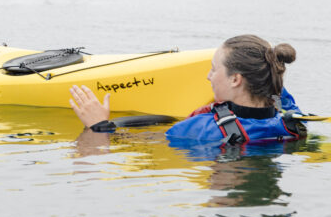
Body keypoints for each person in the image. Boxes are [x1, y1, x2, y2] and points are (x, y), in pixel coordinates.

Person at [70, 34, 306, 146]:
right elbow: (279, 93)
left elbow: (146, 142)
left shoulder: (201, 129)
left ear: (236, 79)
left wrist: (98, 127)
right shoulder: (291, 118)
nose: (207, 76)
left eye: (214, 70)